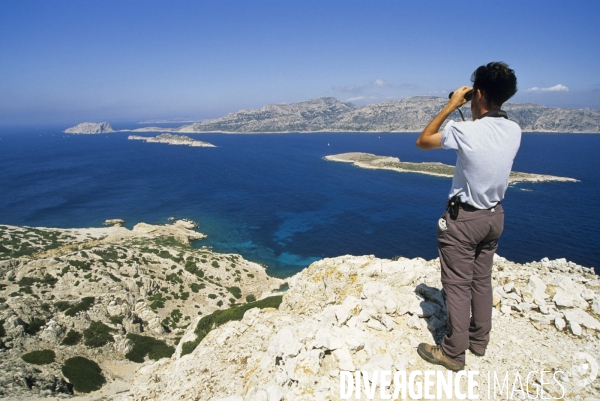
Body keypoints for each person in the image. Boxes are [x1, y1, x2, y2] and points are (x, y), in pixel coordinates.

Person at [414, 62, 521, 371]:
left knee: (458, 287)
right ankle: (479, 341)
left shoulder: (464, 130)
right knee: (481, 281)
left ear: (479, 93)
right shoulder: (514, 130)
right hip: (494, 217)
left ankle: (452, 353)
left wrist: (451, 105)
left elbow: (423, 141)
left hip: (464, 222)